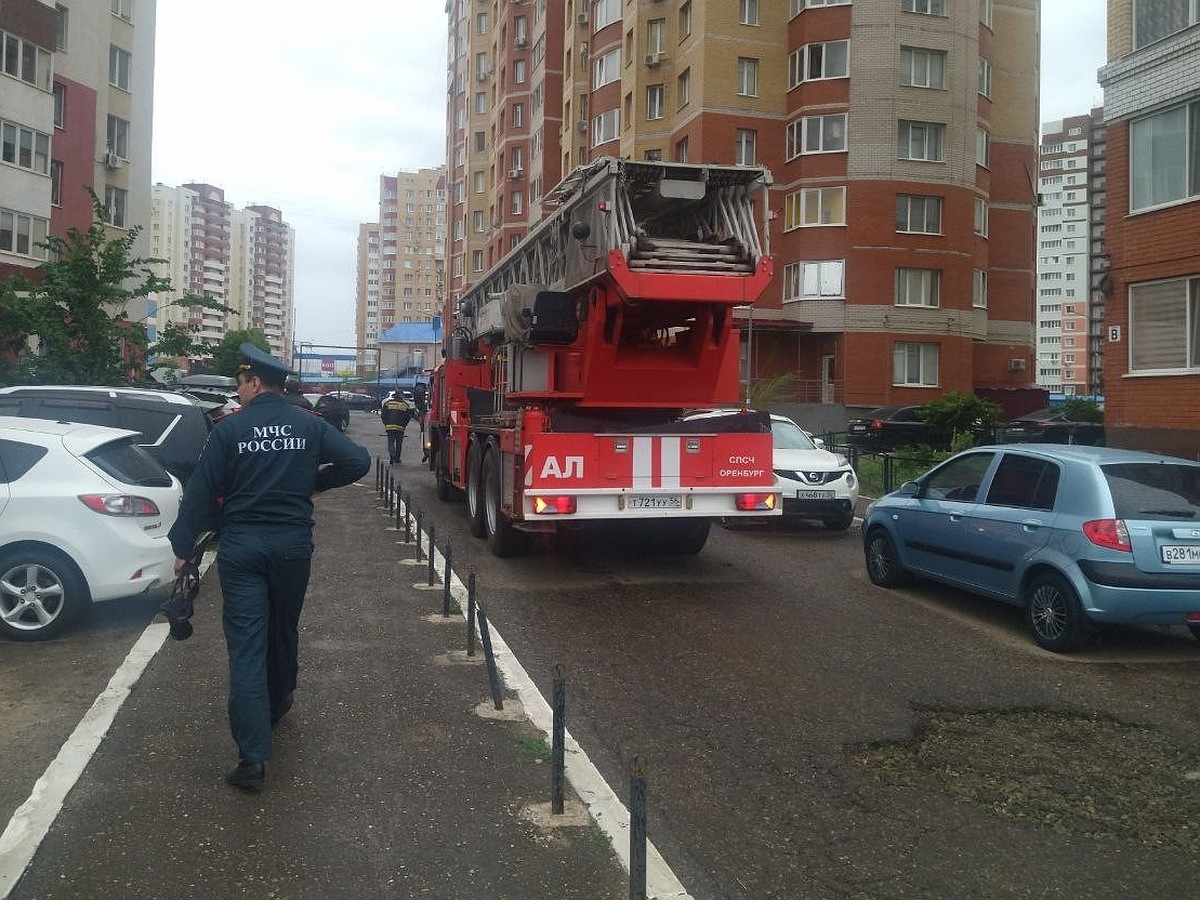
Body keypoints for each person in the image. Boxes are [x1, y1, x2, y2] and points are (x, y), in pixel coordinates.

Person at [168, 343, 370, 792]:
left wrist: (183, 546)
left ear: (255, 382)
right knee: (283, 628)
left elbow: (201, 493)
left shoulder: (229, 430)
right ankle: (278, 702)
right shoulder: (309, 425)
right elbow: (358, 461)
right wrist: (312, 484)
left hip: (242, 551)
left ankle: (252, 760)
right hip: (292, 548)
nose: (238, 391)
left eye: (240, 383)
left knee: (245, 648)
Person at [380, 390, 414, 464]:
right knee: (399, 443)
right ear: (402, 396)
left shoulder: (388, 403)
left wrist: (386, 423)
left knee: (390, 442)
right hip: (400, 428)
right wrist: (404, 425)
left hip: (389, 427)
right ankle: (397, 459)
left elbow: (383, 415)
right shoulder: (405, 405)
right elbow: (408, 417)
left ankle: (392, 456)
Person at [413, 381, 430, 462]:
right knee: (424, 436)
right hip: (427, 418)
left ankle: (426, 453)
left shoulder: (418, 392)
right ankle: (426, 453)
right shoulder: (424, 393)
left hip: (424, 419)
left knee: (424, 436)